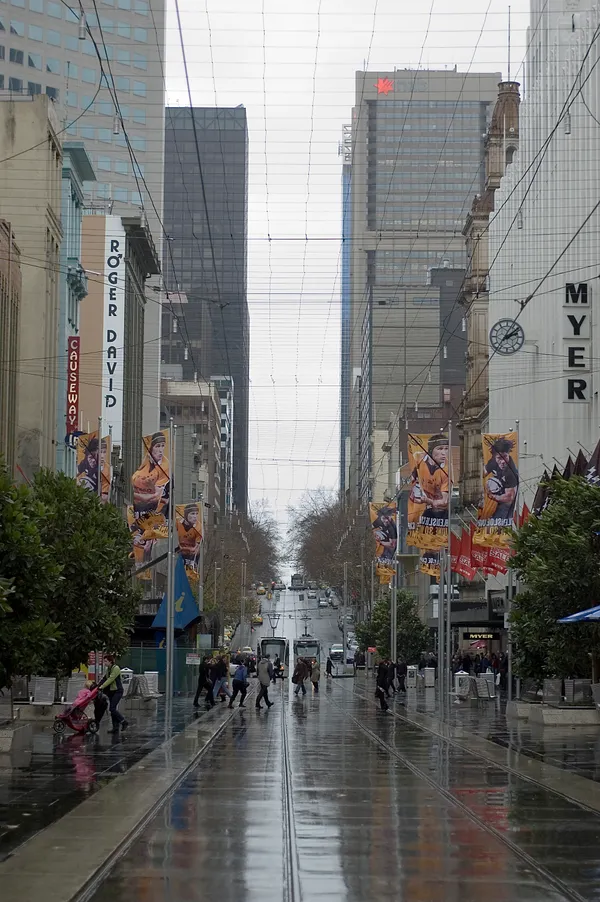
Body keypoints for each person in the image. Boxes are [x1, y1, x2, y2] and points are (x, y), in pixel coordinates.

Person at [131, 431, 170, 516]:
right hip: (140, 513)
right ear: (150, 449)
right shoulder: (142, 469)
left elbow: (156, 496)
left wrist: (139, 495)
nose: (161, 450)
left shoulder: (165, 468)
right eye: (157, 446)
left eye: (163, 446)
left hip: (157, 514)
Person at [482, 436, 519, 525]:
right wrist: (485, 485)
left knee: (498, 525)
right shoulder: (493, 461)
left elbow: (509, 497)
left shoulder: (510, 473)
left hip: (507, 507)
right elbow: (483, 473)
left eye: (505, 457)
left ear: (508, 454)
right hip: (497, 501)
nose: (503, 461)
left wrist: (492, 496)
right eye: (499, 458)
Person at [97, 654, 128, 733]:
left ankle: (123, 721)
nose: (104, 663)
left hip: (117, 691)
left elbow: (111, 679)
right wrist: (97, 686)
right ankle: (115, 727)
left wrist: (102, 687)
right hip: (111, 691)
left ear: (110, 661)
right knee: (112, 710)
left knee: (112, 708)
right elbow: (105, 678)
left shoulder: (116, 668)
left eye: (106, 661)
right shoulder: (108, 669)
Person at [177, 504, 201, 571]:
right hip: (178, 556)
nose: (195, 516)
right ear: (186, 515)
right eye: (192, 513)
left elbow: (195, 549)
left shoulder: (198, 527)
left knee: (190, 573)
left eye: (196, 514)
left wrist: (182, 548)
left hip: (192, 558)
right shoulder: (178, 523)